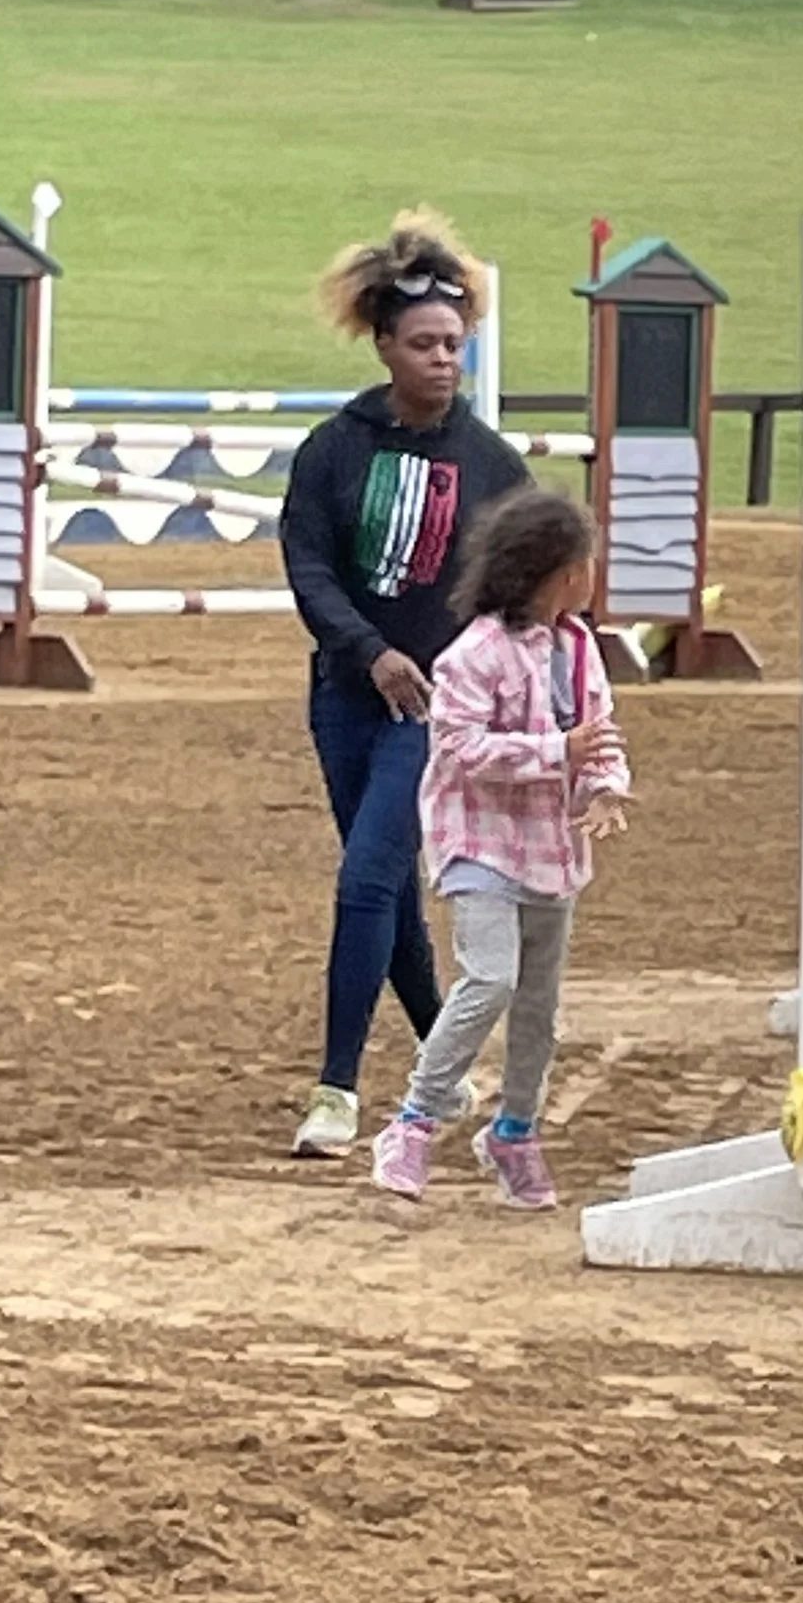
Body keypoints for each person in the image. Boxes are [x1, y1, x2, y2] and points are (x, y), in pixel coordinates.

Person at [281, 210, 528, 1159]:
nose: (442, 361)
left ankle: (336, 1090)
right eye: (422, 344)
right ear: (383, 343)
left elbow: (520, 590)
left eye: (454, 346)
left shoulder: (492, 466)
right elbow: (308, 565)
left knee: (365, 877)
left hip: (433, 712)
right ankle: (444, 1057)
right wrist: (366, 651)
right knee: (382, 894)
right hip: (347, 698)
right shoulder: (334, 450)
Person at [367, 486, 631, 1213]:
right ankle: (415, 1119)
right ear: (553, 573)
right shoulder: (472, 656)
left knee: (539, 1003)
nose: (590, 578)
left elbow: (601, 731)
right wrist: (558, 750)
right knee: (490, 978)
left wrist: (606, 783)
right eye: (583, 566)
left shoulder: (580, 650)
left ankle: (515, 1129)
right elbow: (458, 748)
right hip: (478, 843)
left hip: (554, 851)